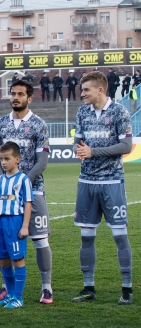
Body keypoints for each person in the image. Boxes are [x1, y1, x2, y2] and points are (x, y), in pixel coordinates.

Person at [71, 71, 134, 305]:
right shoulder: (82, 112)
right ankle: (88, 287)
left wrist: (93, 152)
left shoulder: (119, 111)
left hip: (111, 181)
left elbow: (126, 145)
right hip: (86, 182)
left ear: (100, 90)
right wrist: (79, 149)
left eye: (86, 90)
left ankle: (126, 288)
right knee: (86, 237)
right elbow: (78, 141)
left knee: (119, 236)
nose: (82, 94)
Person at [0, 80, 54, 304]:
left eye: (20, 94)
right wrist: (3, 184)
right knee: (6, 243)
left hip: (33, 192)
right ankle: (7, 288)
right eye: (13, 93)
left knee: (40, 240)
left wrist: (21, 182)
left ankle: (47, 287)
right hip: (7, 197)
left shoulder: (39, 125)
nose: (16, 97)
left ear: (29, 98)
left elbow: (42, 162)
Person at [0, 142, 33, 309]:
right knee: (3, 260)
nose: (4, 162)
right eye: (1, 159)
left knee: (17, 259)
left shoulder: (23, 179)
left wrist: (25, 226)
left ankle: (18, 297)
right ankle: (10, 294)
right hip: (0, 222)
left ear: (17, 159)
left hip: (14, 222)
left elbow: (28, 203)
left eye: (7, 159)